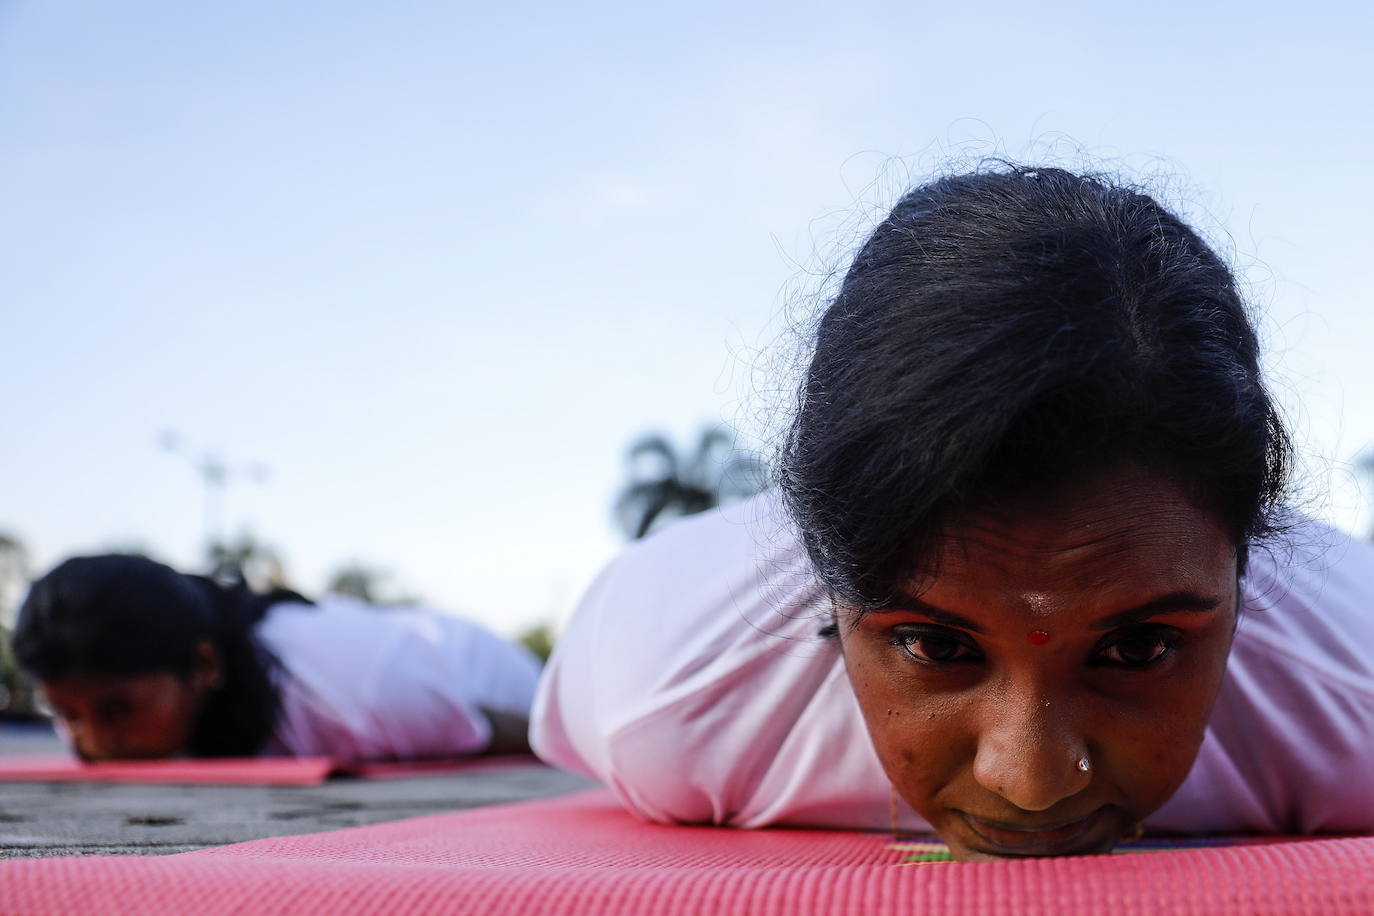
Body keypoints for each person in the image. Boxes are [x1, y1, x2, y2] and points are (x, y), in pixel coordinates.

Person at [531, 166, 1374, 861]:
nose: (1033, 781)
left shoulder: (1353, 692)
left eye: (1139, 647)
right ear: (828, 586)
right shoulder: (667, 692)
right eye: (935, 645)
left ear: (1245, 568)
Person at [13, 554, 542, 763]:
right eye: (66, 716)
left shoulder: (368, 693)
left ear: (204, 667)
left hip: (501, 681)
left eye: (116, 712)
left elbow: (520, 731)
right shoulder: (103, 690)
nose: (92, 743)